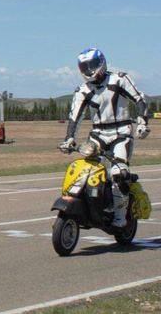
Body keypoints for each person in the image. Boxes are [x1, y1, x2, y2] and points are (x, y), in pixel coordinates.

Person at [59, 48, 150, 227]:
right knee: (85, 170)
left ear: (101, 63)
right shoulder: (83, 90)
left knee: (118, 172)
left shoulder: (120, 79)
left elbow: (140, 100)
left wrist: (142, 122)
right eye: (84, 66)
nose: (88, 70)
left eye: (91, 65)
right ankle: (91, 206)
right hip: (98, 134)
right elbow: (74, 117)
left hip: (121, 132)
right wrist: (69, 138)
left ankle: (120, 217)